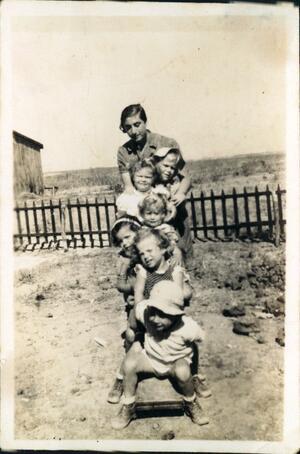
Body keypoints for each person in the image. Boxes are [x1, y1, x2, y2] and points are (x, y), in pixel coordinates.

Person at [111, 281, 209, 430]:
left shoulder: (188, 327)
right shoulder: (145, 313)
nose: (155, 319)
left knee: (183, 371)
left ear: (176, 314)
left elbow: (198, 342)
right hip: (151, 359)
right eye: (153, 312)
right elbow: (135, 312)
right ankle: (128, 405)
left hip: (174, 362)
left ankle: (191, 402)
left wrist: (194, 369)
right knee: (130, 363)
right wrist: (134, 328)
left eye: (162, 314)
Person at [117, 104, 191, 207]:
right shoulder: (123, 152)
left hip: (170, 206)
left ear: (145, 122)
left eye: (137, 124)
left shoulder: (167, 143)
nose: (133, 131)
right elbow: (129, 188)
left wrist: (180, 193)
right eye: (128, 127)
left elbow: (186, 177)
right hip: (141, 209)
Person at [152, 147, 194, 269]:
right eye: (165, 165)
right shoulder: (150, 181)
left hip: (170, 225)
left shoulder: (174, 183)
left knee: (178, 248)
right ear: (156, 163)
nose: (169, 170)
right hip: (153, 225)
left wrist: (179, 196)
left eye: (172, 168)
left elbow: (185, 183)